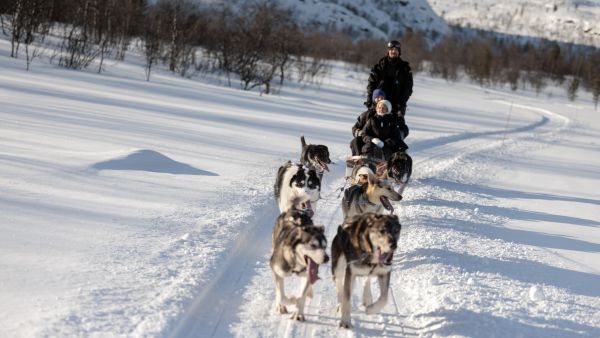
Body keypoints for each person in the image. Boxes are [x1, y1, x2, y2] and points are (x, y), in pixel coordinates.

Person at [366, 40, 413, 117]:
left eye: (396, 50)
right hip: (379, 104)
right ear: (388, 51)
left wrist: (401, 104)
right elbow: (371, 84)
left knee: (397, 128)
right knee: (372, 125)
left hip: (396, 105)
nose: (393, 51)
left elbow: (408, 89)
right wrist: (370, 100)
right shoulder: (380, 66)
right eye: (391, 50)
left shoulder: (405, 69)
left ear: (399, 52)